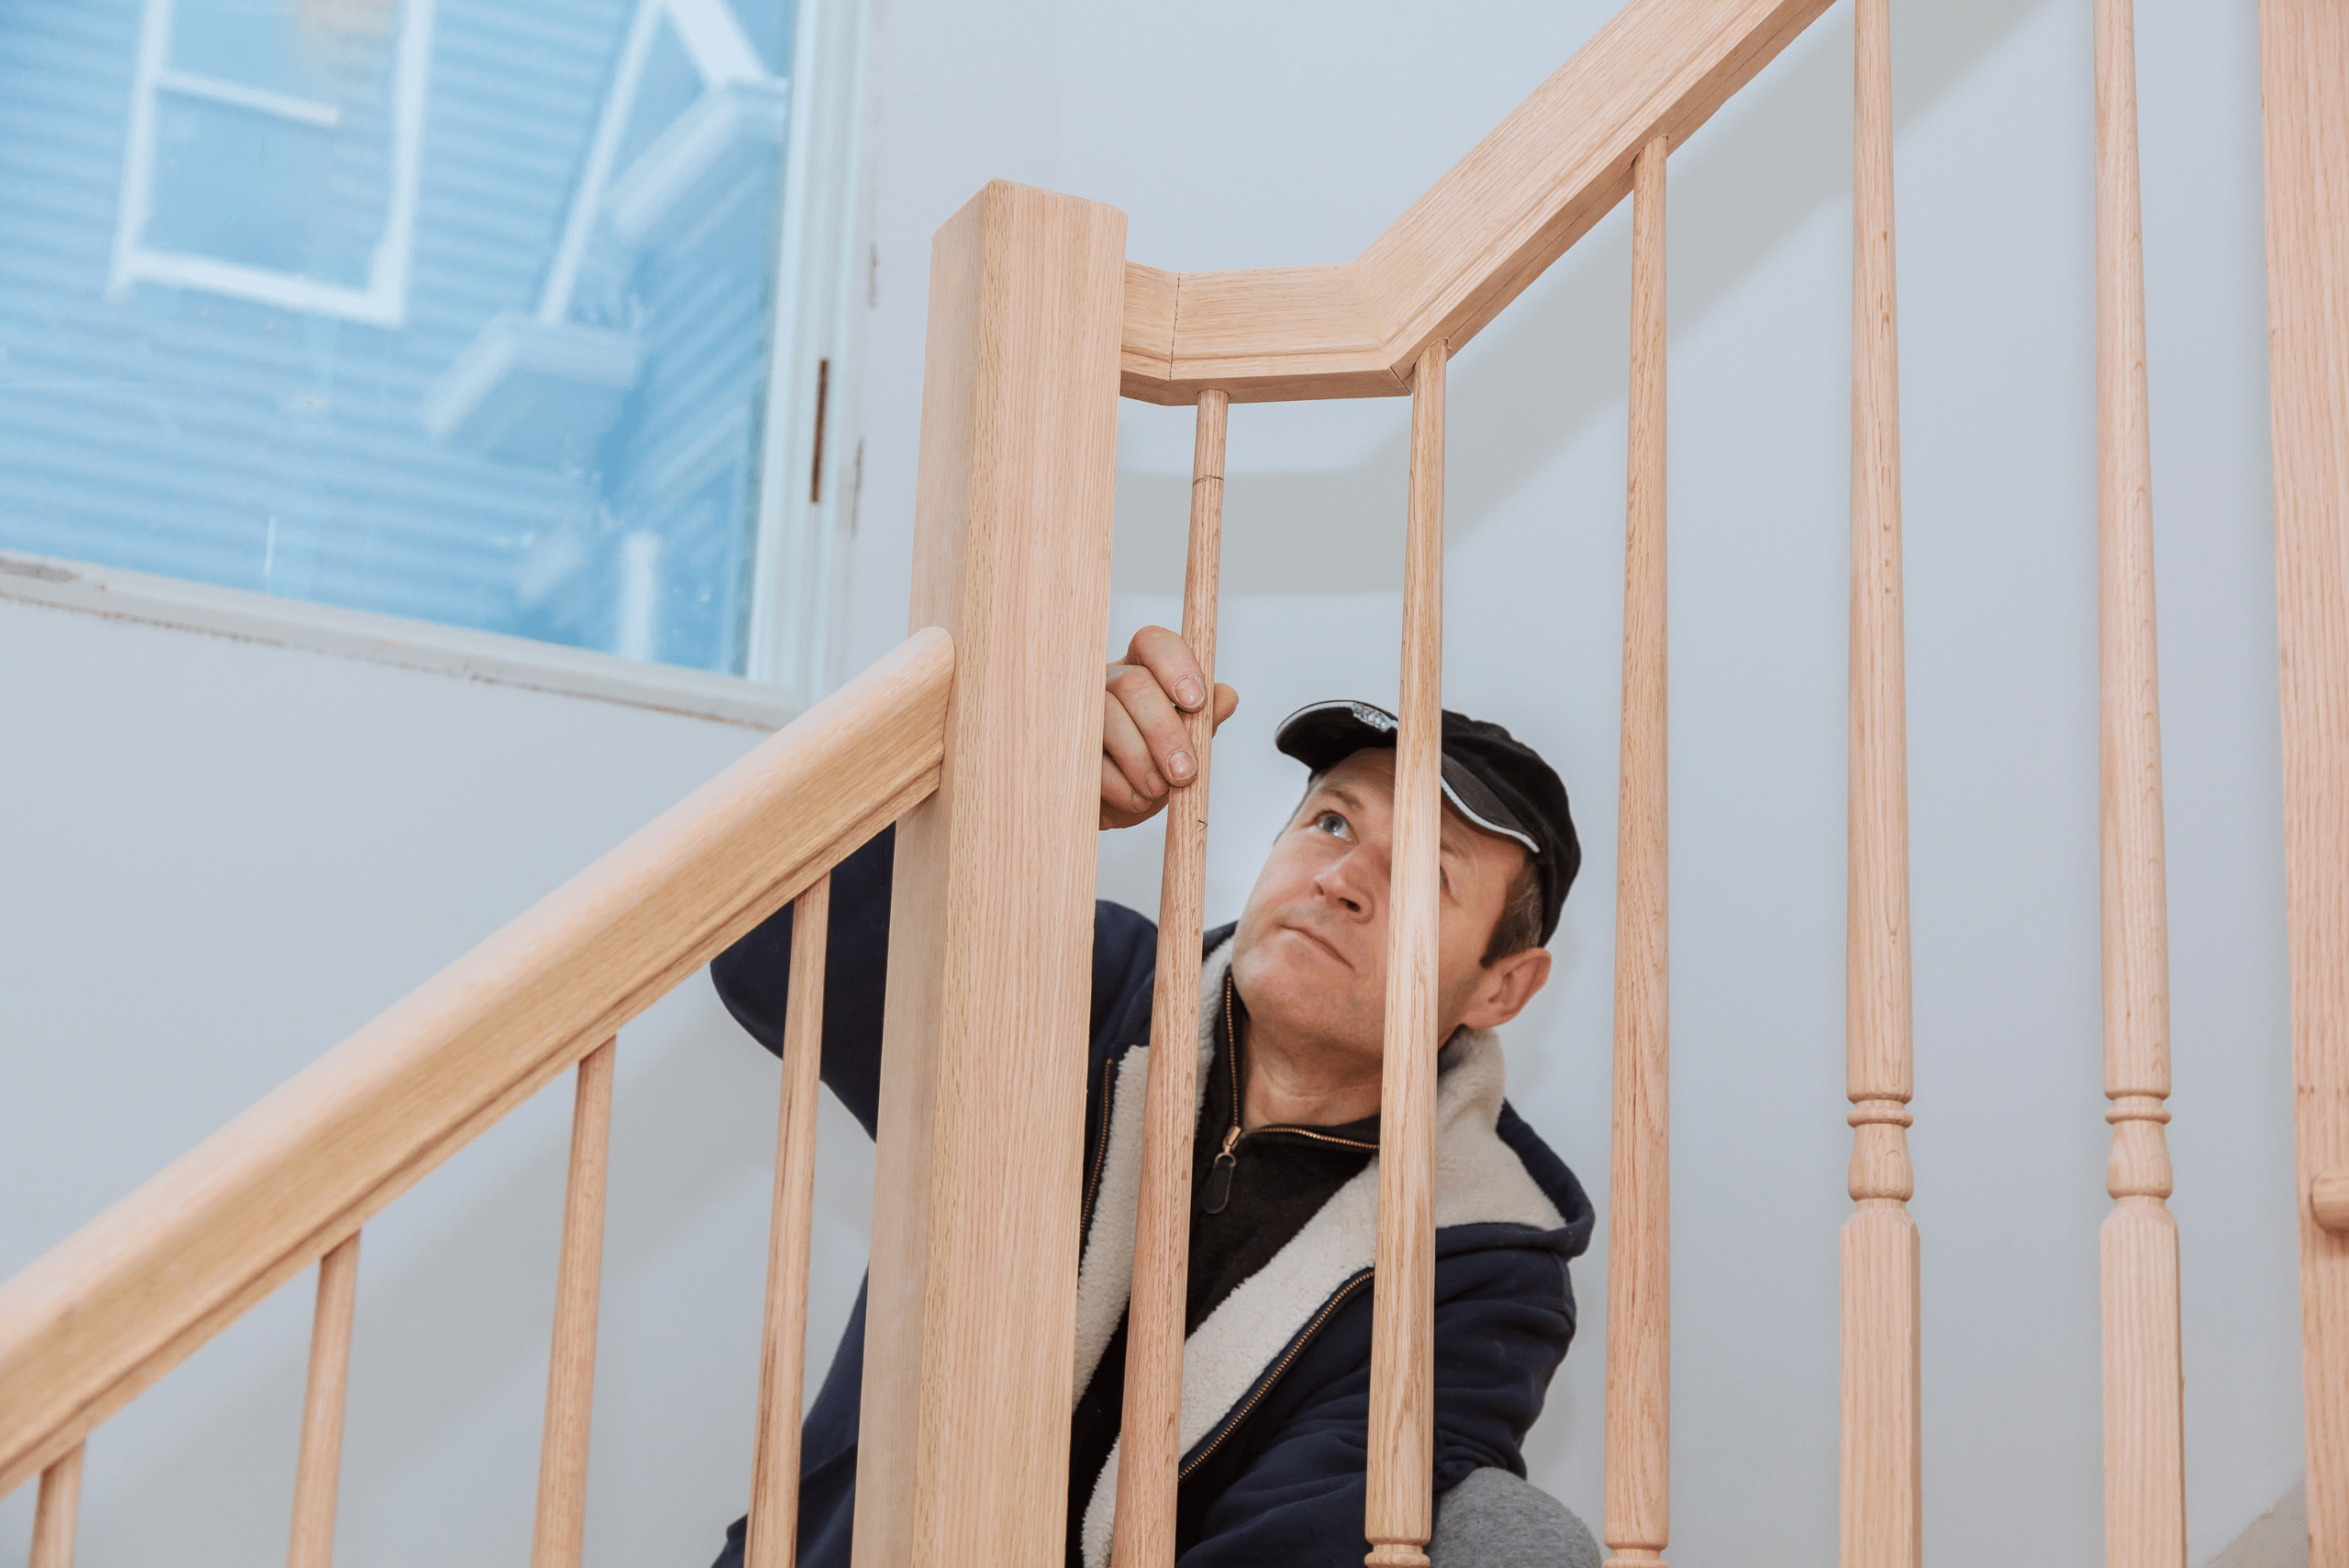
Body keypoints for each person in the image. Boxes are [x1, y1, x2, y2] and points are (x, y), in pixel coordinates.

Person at [707, 628, 1598, 1568]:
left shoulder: (1487, 1262)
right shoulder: (1086, 988)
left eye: (1424, 873)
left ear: (1503, 986)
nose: (1340, 879)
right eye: (1332, 822)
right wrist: (1019, 776)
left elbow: (1296, 1539)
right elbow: (771, 957)